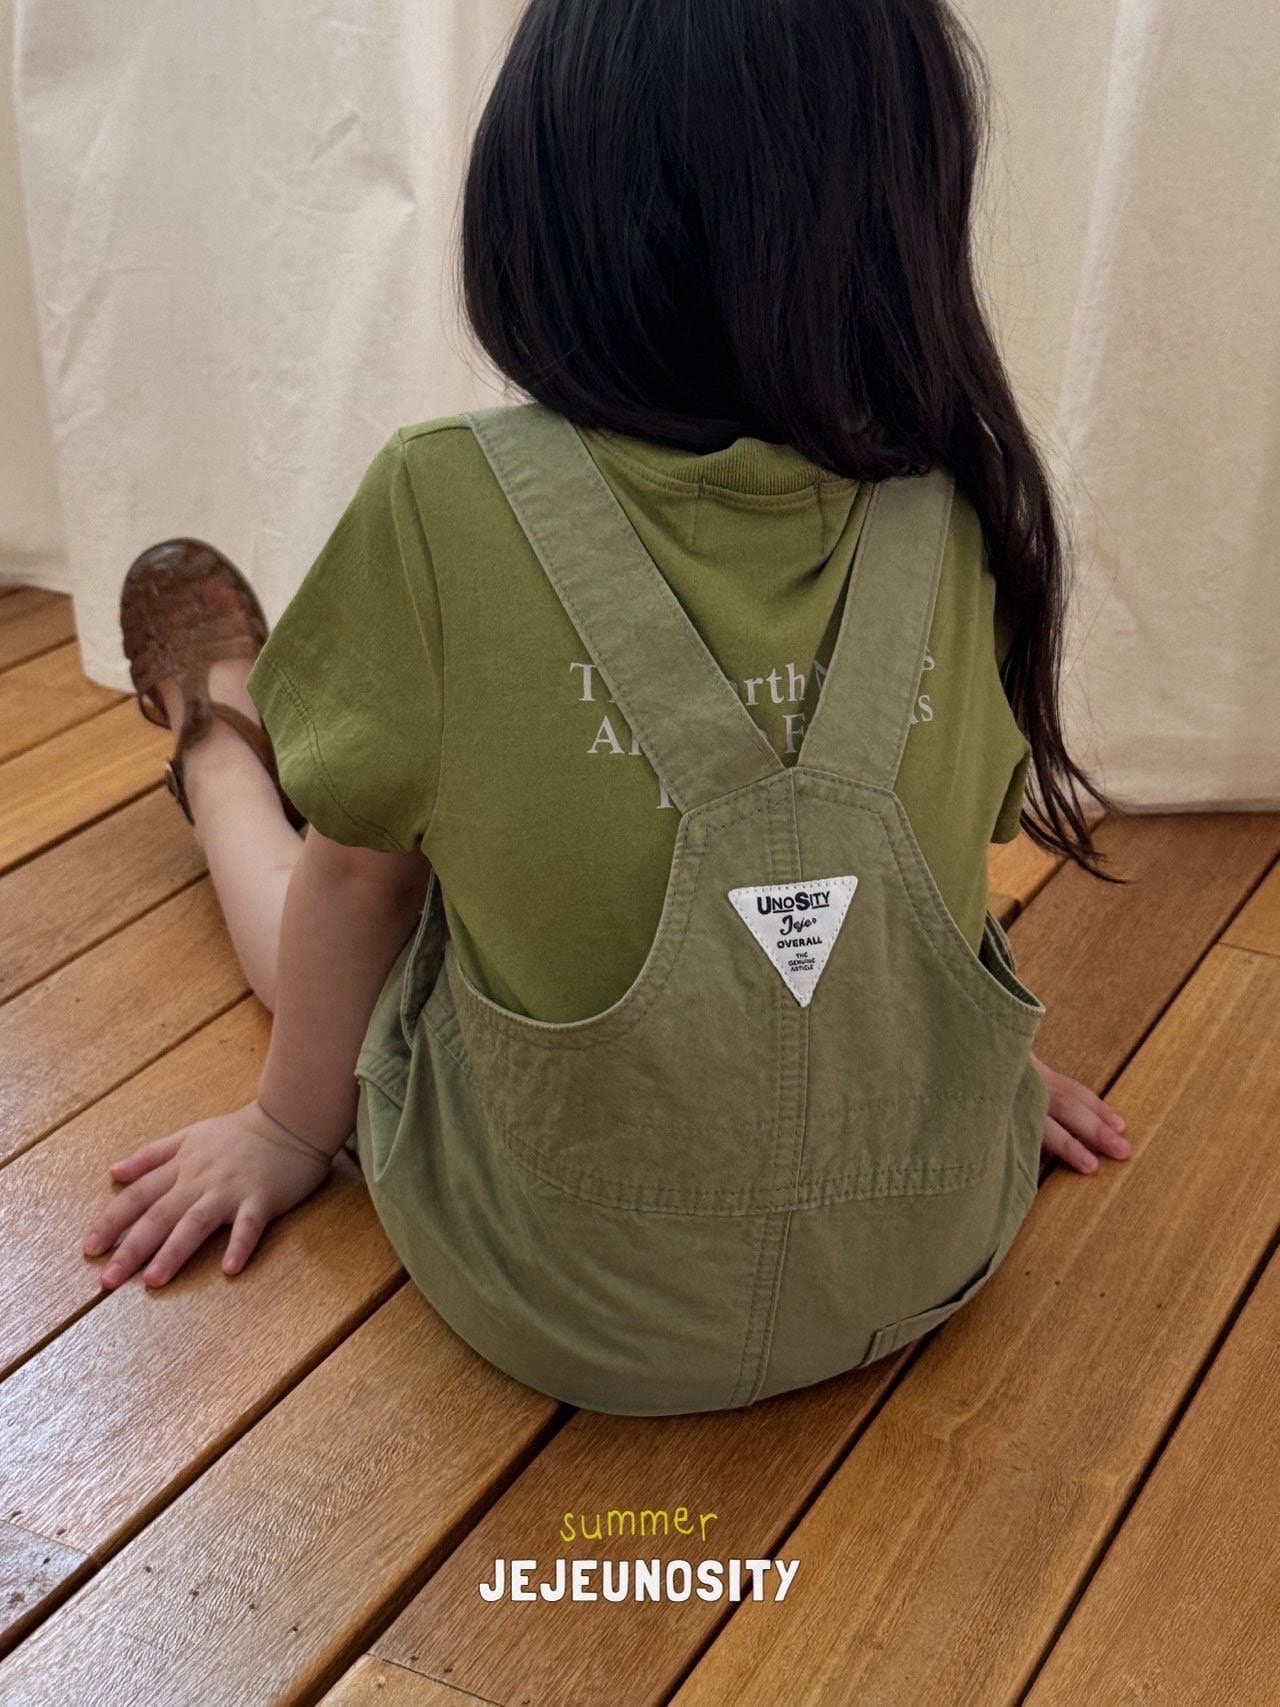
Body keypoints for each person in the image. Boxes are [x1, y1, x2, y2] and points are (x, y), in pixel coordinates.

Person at [84, 0, 1130, 1413]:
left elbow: (360, 882)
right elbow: (928, 866)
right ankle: (239, 728)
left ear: (545, 202)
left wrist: (285, 1127)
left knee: (365, 878)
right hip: (935, 1239)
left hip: (560, 1291)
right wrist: (961, 1075)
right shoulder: (966, 504)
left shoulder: (442, 499)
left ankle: (216, 738)